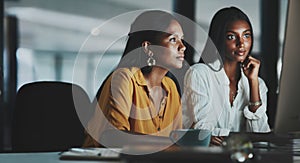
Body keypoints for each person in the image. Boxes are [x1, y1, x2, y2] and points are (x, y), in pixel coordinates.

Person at [83, 10, 186, 147]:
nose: (183, 47)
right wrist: (169, 143)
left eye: (181, 39)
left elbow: (176, 139)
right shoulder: (124, 78)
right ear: (148, 48)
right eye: (173, 39)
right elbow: (113, 137)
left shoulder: (171, 87)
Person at [182, 6, 271, 146]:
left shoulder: (258, 84)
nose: (241, 43)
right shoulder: (200, 74)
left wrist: (253, 83)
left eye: (246, 35)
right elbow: (202, 132)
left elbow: (262, 137)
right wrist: (241, 139)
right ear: (219, 39)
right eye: (231, 37)